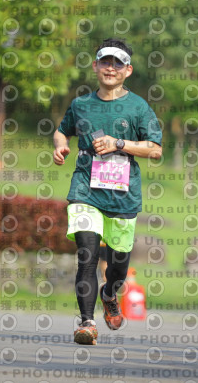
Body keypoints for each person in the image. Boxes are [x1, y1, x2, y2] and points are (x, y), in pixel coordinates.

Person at [53, 38, 162, 345]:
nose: (110, 68)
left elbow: (155, 150)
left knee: (118, 265)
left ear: (128, 70)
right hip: (85, 191)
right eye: (105, 61)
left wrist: (118, 144)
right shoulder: (81, 105)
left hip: (123, 197)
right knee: (86, 256)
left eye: (117, 63)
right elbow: (63, 129)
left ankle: (109, 293)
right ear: (95, 66)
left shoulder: (138, 107)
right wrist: (60, 145)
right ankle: (86, 323)